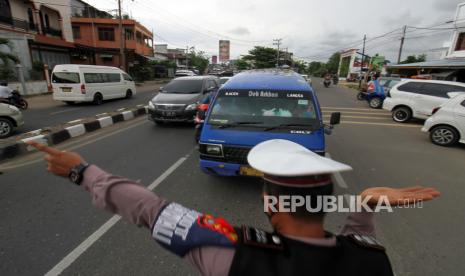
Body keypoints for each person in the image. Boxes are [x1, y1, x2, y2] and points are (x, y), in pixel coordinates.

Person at [28, 139, 440, 276]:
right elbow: (355, 239)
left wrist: (81, 171)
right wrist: (366, 202)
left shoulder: (233, 254)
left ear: (271, 205)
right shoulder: (374, 261)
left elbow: (152, 209)